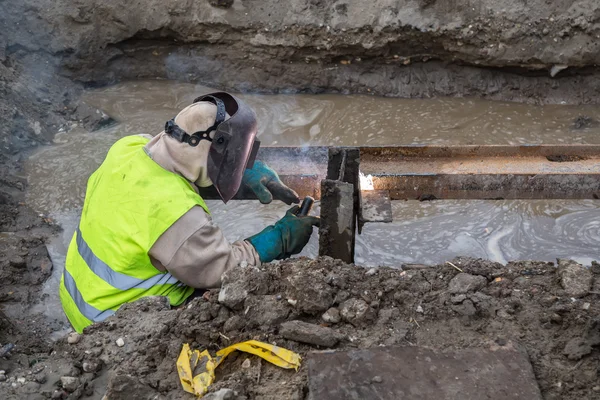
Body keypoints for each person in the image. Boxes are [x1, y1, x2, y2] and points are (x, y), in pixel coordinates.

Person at [59, 92, 320, 333]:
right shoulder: (173, 212)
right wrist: (279, 239)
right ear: (215, 149)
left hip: (77, 297)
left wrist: (242, 172)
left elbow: (180, 156)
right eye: (233, 158)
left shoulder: (126, 149)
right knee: (228, 305)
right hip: (112, 323)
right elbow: (222, 269)